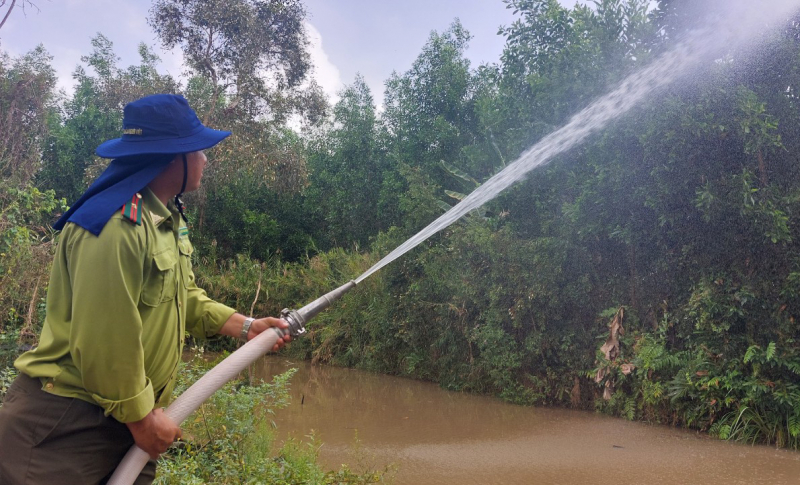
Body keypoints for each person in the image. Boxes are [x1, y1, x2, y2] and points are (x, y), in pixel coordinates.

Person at [0, 94, 291, 484]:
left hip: (126, 418)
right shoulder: (114, 227)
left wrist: (247, 326)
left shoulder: (164, 219)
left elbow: (183, 297)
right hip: (67, 425)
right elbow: (105, 337)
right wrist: (141, 420)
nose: (205, 159)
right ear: (171, 157)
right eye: (198, 150)